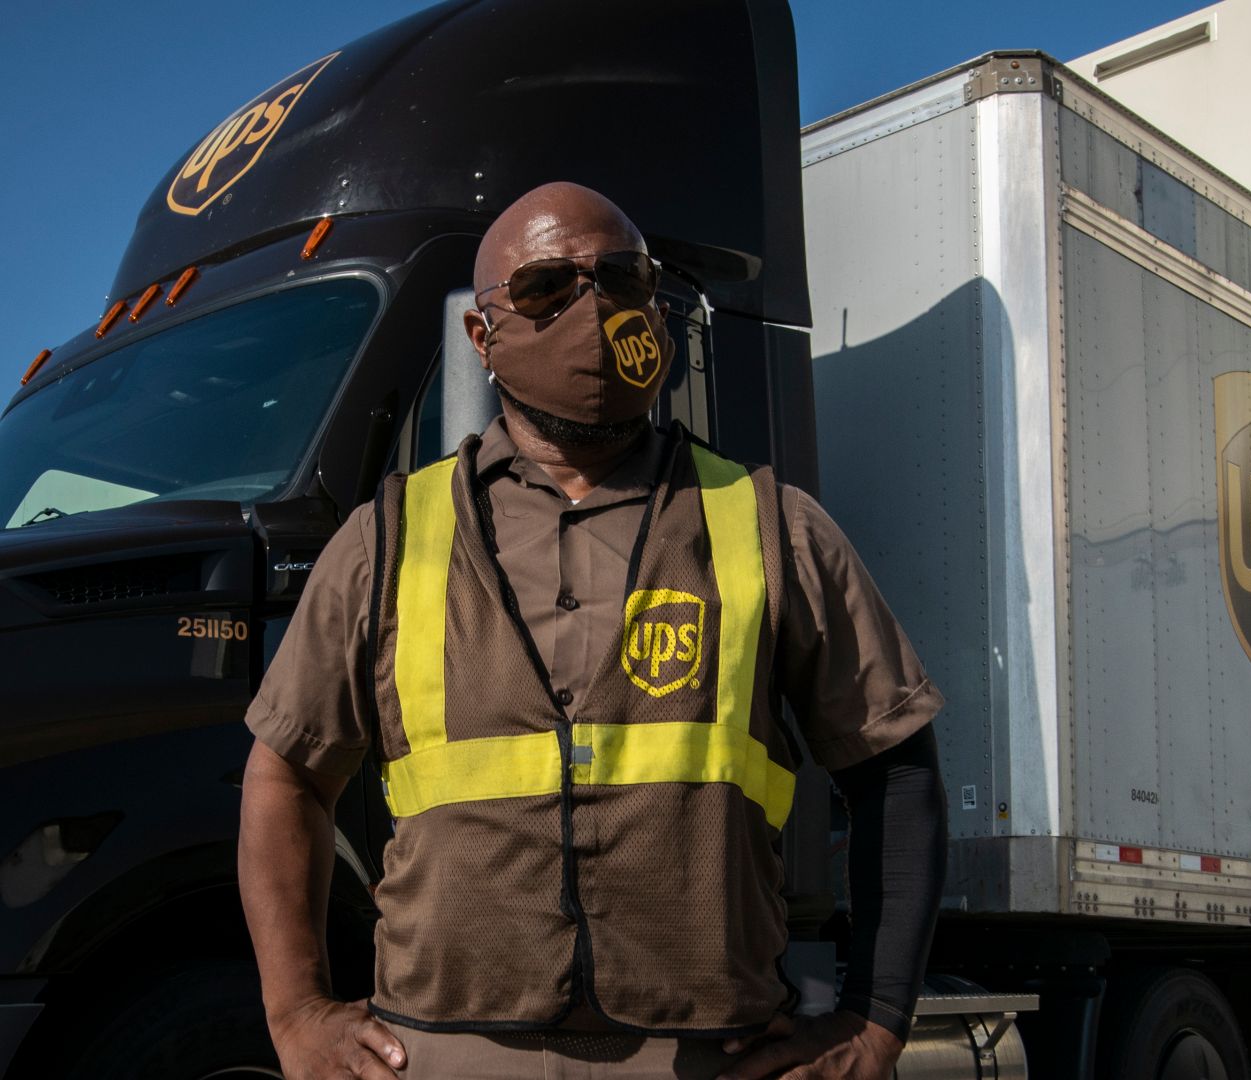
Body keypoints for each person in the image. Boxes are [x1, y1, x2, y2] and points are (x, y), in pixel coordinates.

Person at [237, 181, 947, 1080]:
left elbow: (898, 771)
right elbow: (287, 774)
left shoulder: (772, 524)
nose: (593, 305)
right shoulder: (387, 537)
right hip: (443, 1050)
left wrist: (876, 1022)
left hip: (706, 1054)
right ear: (480, 336)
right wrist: (296, 1013)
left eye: (621, 277)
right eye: (545, 287)